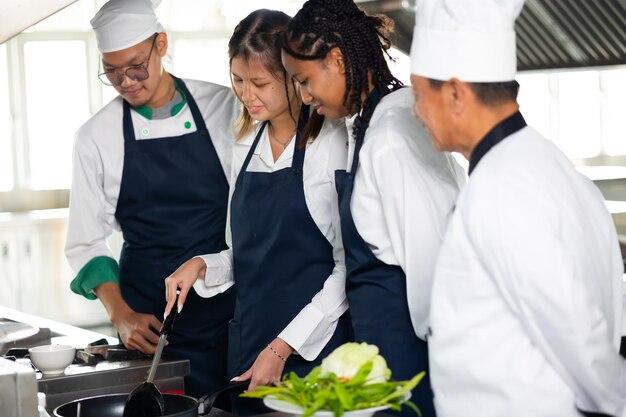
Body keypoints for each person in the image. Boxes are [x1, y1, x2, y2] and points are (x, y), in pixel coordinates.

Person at [409, 0, 626, 416]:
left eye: (419, 95)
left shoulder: (501, 187)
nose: (416, 111)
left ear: (455, 93)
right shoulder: (549, 164)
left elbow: (575, 331)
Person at [280, 1, 465, 416]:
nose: (305, 98)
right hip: (386, 364)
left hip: (412, 366)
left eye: (305, 81)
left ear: (338, 59)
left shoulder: (392, 138)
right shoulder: (370, 124)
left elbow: (432, 260)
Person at [164, 9, 353, 415]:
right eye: (237, 80)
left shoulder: (331, 145)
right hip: (251, 347)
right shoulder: (245, 143)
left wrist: (284, 347)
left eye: (259, 83)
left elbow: (347, 269)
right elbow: (245, 255)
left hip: (314, 354)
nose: (246, 95)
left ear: (290, 76)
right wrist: (200, 266)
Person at [64, 0, 238, 399]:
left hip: (225, 310)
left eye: (135, 66)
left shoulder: (223, 105)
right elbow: (86, 240)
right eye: (111, 71)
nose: (125, 81)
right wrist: (120, 314)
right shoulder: (96, 136)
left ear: (161, 44)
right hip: (146, 322)